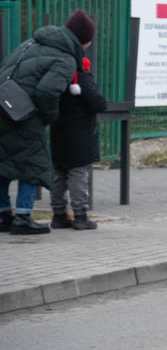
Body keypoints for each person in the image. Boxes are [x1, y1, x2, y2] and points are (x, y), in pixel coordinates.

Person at [0, 9, 91, 235]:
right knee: (33, 165)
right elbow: (48, 91)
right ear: (83, 40)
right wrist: (48, 116)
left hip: (4, 104)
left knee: (4, 163)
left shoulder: (30, 43)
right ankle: (22, 217)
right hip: (25, 114)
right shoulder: (65, 58)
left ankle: (3, 215)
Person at [49, 52, 107, 229]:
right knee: (78, 175)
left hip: (58, 131)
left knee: (58, 174)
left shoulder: (55, 75)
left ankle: (58, 215)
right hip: (79, 135)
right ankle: (80, 216)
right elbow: (98, 103)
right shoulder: (81, 77)